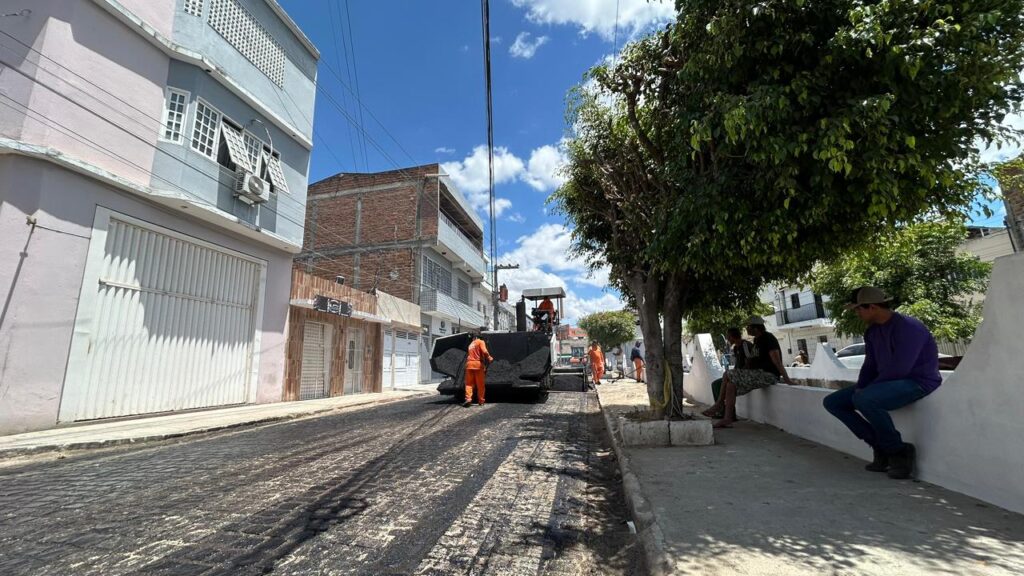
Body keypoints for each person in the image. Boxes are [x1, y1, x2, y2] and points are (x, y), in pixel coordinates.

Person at [823, 286, 941, 479]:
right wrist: (861, 386)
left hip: (917, 381)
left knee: (866, 399)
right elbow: (870, 364)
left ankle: (898, 451)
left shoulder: (909, 327)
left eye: (858, 308)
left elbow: (900, 369)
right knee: (833, 402)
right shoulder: (872, 331)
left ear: (872, 307)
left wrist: (866, 392)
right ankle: (879, 446)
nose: (856, 313)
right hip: (886, 382)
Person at [703, 316, 793, 428]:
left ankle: (719, 403)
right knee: (730, 386)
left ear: (756, 328)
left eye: (749, 327)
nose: (747, 329)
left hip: (767, 375)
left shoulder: (768, 338)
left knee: (728, 374)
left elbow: (777, 361)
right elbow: (751, 362)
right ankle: (727, 419)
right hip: (756, 374)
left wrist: (787, 379)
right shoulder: (756, 340)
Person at [708, 328, 753, 418]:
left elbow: (750, 361)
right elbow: (738, 363)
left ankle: (723, 408)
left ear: (733, 336)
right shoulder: (736, 348)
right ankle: (722, 411)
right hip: (737, 374)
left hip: (746, 375)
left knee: (726, 381)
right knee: (716, 384)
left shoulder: (745, 345)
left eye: (728, 337)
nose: (728, 339)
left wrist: (738, 373)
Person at [463, 333, 494, 407]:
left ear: (474, 338)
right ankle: (481, 401)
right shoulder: (480, 342)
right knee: (480, 385)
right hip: (478, 365)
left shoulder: (470, 345)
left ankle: (468, 399)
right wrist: (489, 358)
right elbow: (484, 351)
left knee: (469, 384)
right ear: (479, 337)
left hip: (469, 365)